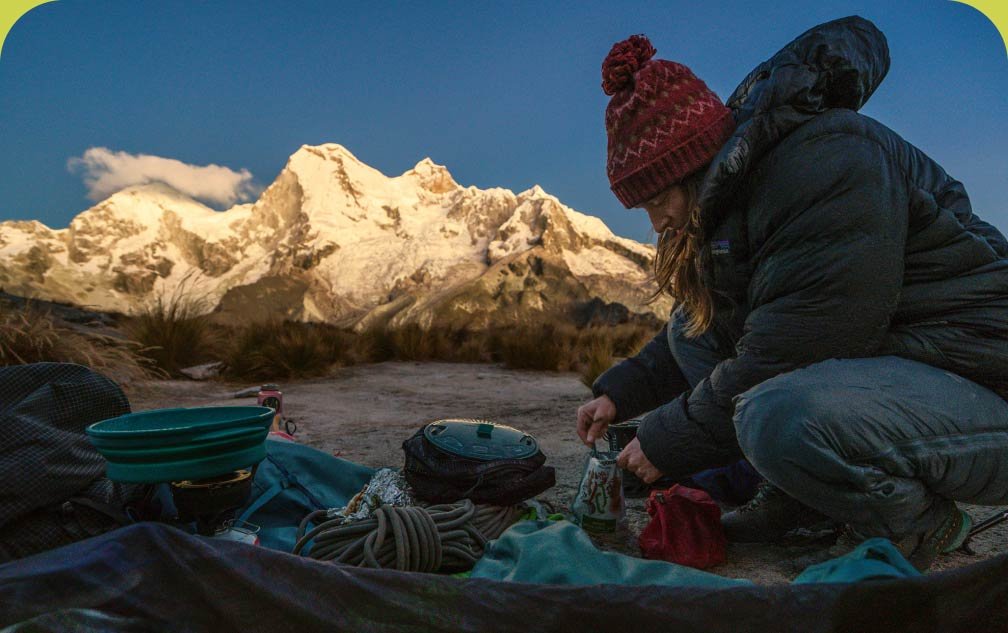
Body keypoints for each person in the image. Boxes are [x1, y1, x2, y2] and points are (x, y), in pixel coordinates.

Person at [575, 15, 1008, 571]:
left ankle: (917, 523)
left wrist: (669, 437)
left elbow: (805, 338)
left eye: (656, 198)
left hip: (984, 386)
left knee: (776, 415)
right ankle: (805, 501)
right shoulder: (741, 196)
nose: (656, 221)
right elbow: (714, 323)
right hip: (913, 378)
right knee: (694, 327)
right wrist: (623, 391)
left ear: (692, 165)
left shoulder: (827, 161)